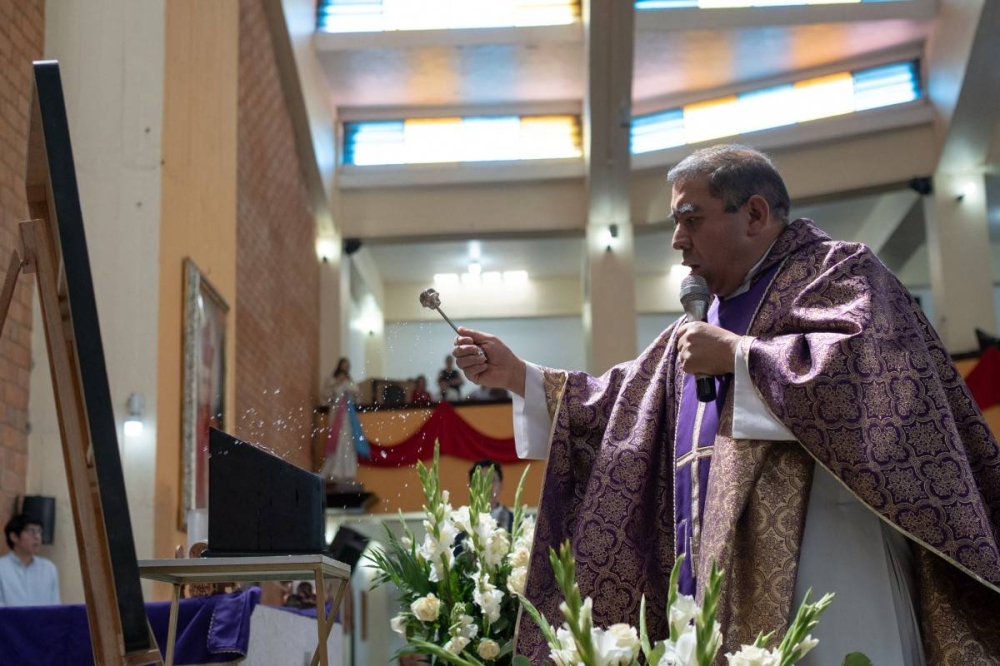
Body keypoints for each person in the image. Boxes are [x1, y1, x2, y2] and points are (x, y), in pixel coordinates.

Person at [453, 144, 1000, 664]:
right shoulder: (693, 329)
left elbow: (872, 376)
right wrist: (518, 375)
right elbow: (617, 407)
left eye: (691, 219)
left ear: (755, 214)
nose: (677, 240)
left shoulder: (837, 272)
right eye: (675, 222)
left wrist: (740, 356)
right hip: (712, 569)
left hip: (828, 555)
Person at [0, 514, 60, 607]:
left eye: (39, 531)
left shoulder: (48, 568)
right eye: (32, 531)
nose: (37, 537)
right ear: (14, 537)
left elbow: (55, 606)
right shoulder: (2, 568)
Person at [321, 357, 365, 482]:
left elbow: (358, 397)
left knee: (347, 441)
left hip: (347, 416)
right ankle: (334, 469)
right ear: (339, 366)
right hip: (336, 415)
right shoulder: (332, 380)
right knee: (336, 439)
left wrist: (353, 392)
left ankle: (347, 471)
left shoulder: (350, 382)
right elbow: (325, 396)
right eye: (343, 365)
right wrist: (337, 384)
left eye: (347, 366)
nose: (345, 368)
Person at [468, 459, 513, 532]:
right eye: (481, 481)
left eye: (492, 480)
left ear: (500, 485)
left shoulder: (514, 522)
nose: (487, 486)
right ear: (471, 487)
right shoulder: (462, 522)